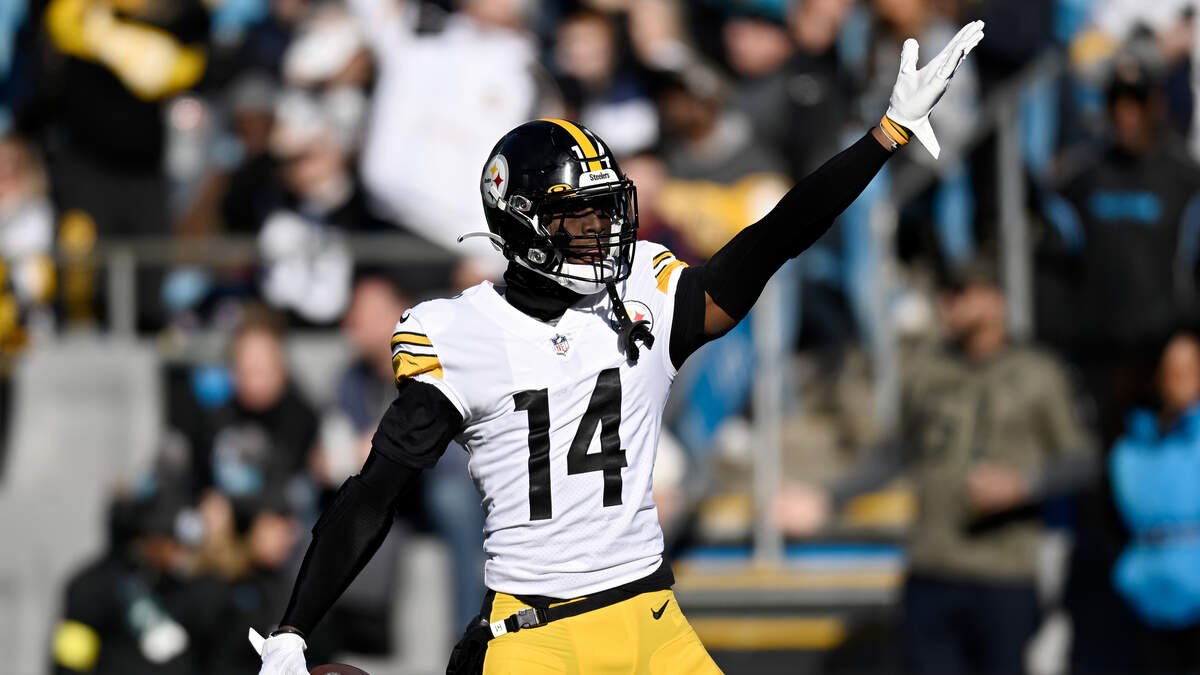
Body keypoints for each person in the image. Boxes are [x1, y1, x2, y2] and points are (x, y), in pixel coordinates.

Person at [251, 20, 986, 674]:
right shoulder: (461, 333)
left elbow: (772, 240)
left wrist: (883, 137)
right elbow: (373, 492)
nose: (600, 232)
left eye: (604, 212)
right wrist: (293, 628)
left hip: (652, 618)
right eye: (577, 217)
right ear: (521, 224)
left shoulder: (642, 291)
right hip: (537, 638)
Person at [773, 260, 1096, 675]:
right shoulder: (927, 370)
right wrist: (829, 498)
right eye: (946, 294)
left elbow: (1082, 460)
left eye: (962, 293)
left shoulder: (1038, 373)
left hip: (1004, 570)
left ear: (995, 299)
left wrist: (1025, 484)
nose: (950, 305)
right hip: (932, 564)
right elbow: (895, 453)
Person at [1105, 332, 1200, 673]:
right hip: (1144, 590)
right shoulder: (1130, 443)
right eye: (1174, 370)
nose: (1183, 379)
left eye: (1192, 368)